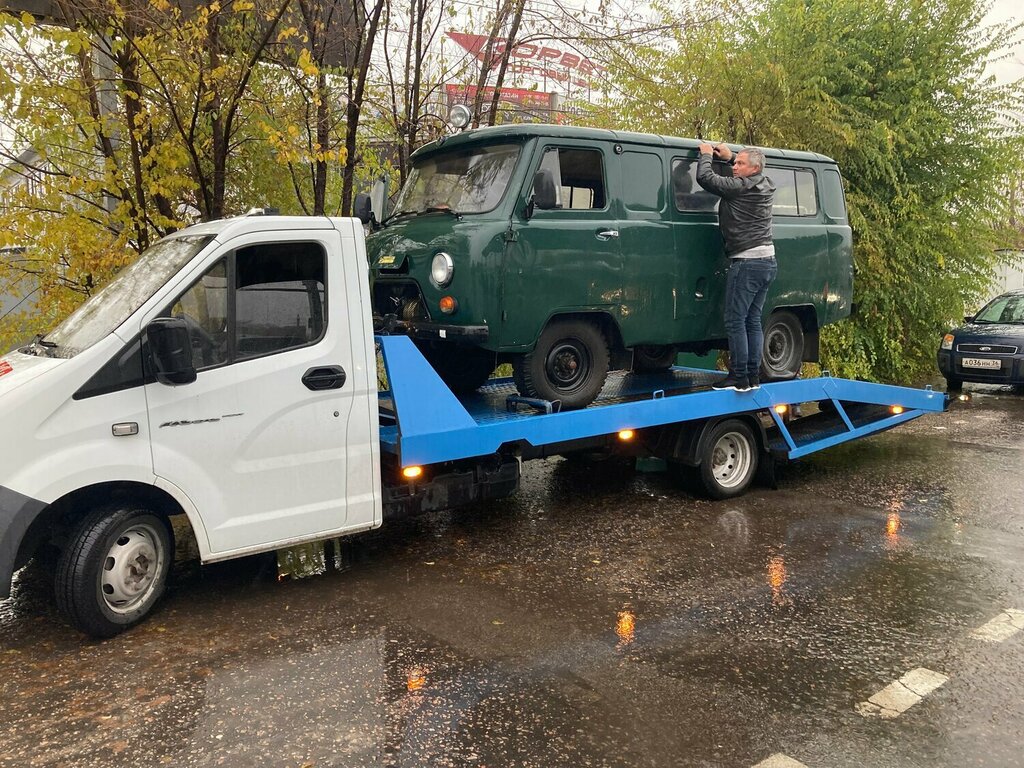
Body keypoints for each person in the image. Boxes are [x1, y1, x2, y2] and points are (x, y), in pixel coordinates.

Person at [695, 142, 777, 392]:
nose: (735, 167)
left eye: (740, 164)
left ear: (753, 168)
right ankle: (752, 377)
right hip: (767, 261)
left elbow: (706, 178)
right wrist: (731, 157)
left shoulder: (740, 188)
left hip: (748, 262)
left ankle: (739, 377)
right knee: (753, 320)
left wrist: (707, 155)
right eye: (736, 162)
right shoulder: (765, 182)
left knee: (735, 321)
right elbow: (744, 172)